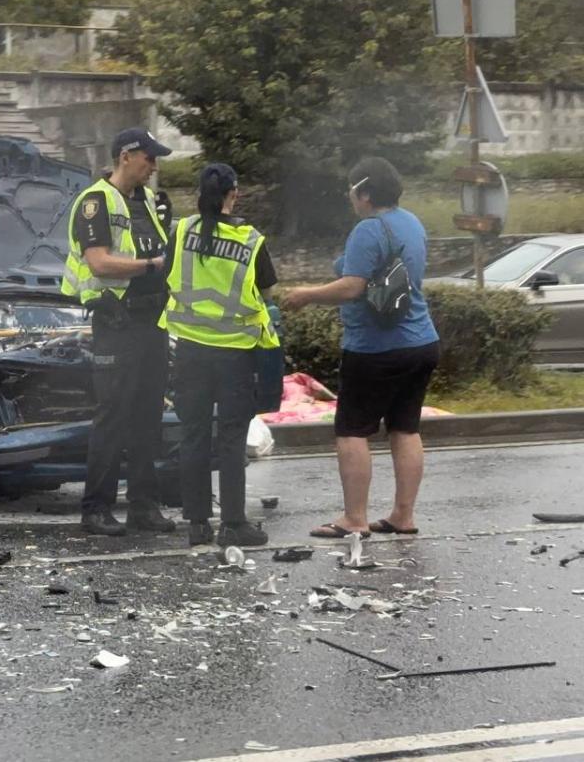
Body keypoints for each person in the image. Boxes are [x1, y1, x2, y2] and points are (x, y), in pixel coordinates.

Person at [281, 157, 439, 539]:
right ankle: (403, 515)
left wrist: (306, 295)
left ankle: (355, 518)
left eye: (351, 189)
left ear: (365, 193)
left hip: (375, 348)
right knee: (405, 428)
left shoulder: (368, 229)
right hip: (421, 342)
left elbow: (353, 286)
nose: (349, 196)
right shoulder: (412, 222)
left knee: (352, 430)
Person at [62, 127, 175, 537]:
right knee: (112, 415)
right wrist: (150, 267)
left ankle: (144, 507)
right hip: (116, 322)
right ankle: (96, 509)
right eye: (149, 157)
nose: (154, 166)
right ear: (126, 156)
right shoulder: (96, 202)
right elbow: (99, 263)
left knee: (148, 415)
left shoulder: (148, 202)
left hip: (152, 323)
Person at [161, 163, 278, 547]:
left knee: (193, 435)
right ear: (234, 194)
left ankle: (197, 524)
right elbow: (267, 292)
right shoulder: (250, 240)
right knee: (231, 438)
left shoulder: (181, 231)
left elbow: (166, 277)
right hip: (234, 355)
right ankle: (232, 524)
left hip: (190, 350)